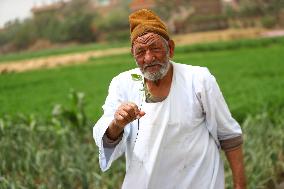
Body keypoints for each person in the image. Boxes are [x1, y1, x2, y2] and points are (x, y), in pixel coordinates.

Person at [93, 9, 246, 189]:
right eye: (140, 52)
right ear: (133, 55)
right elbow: (106, 134)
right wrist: (117, 124)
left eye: (155, 48)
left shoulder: (198, 79)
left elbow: (229, 136)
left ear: (170, 48)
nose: (149, 58)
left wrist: (240, 186)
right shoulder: (122, 84)